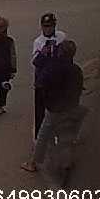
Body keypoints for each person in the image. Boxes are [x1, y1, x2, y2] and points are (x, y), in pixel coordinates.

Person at [22, 40, 86, 180]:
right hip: (72, 107)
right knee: (66, 136)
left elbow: (40, 83)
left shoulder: (53, 68)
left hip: (55, 109)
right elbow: (80, 87)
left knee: (43, 135)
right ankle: (66, 162)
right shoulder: (76, 69)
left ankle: (33, 162)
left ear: (60, 52)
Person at [31, 12, 68, 140]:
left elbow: (67, 54)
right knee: (40, 111)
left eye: (50, 26)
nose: (48, 29)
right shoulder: (38, 42)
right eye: (45, 26)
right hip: (43, 80)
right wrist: (43, 53)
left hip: (57, 79)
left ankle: (59, 134)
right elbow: (35, 62)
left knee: (58, 108)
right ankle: (38, 137)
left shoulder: (61, 37)